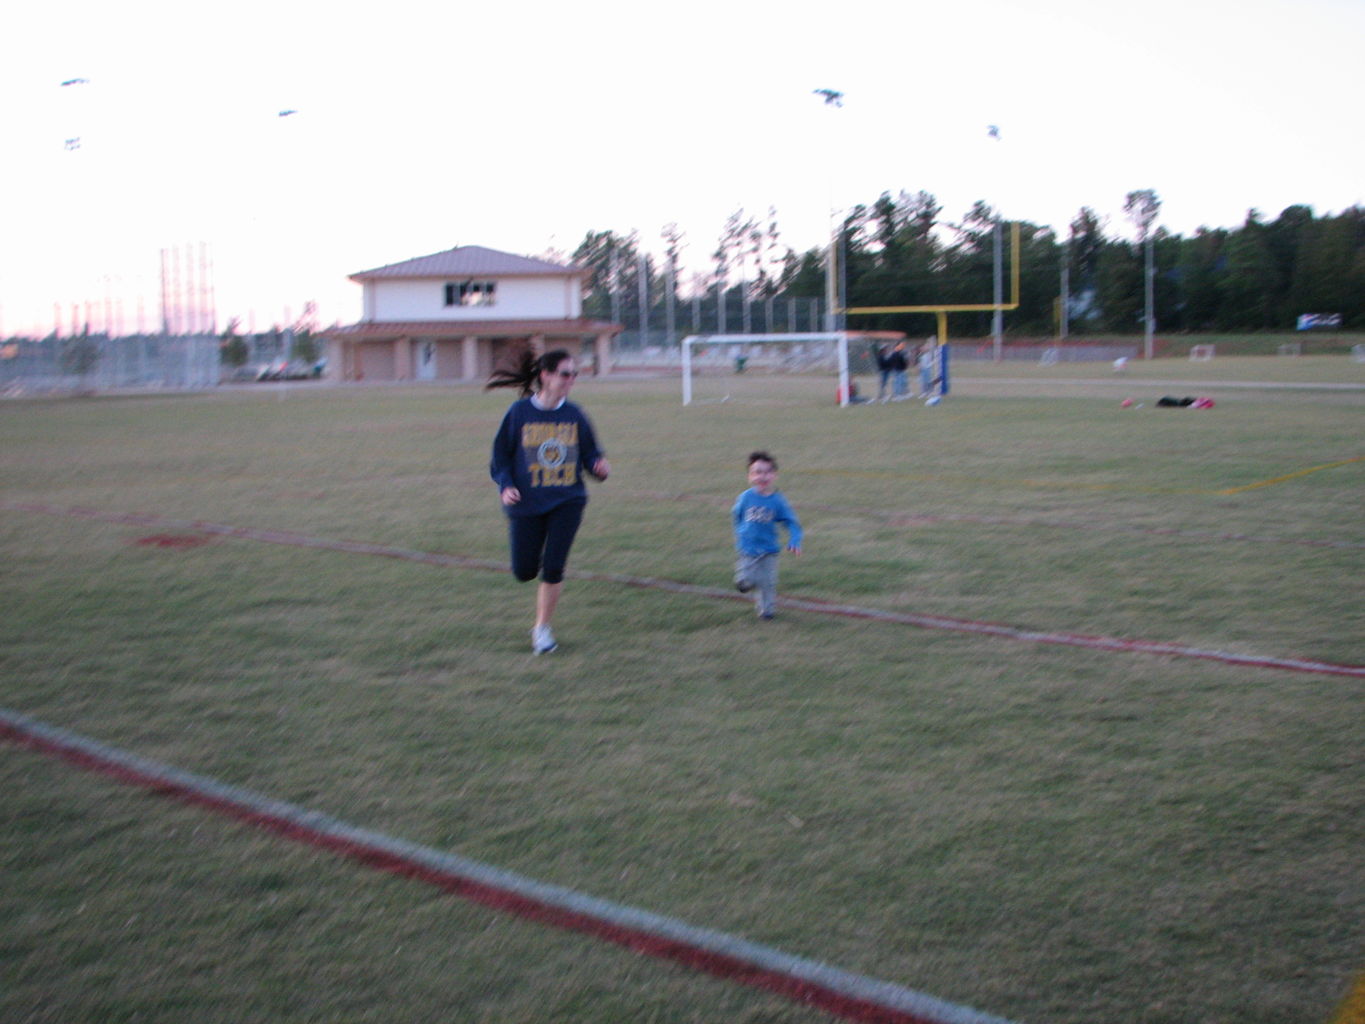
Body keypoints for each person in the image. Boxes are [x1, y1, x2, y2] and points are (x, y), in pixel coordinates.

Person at [488, 348, 610, 654]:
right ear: (546, 375)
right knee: (524, 571)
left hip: (567, 500)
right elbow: (500, 458)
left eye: (574, 375)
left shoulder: (575, 414)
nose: (571, 380)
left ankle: (542, 630)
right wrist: (505, 485)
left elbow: (591, 454)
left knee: (554, 567)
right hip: (526, 503)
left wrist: (598, 466)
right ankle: (538, 558)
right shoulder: (518, 413)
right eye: (565, 374)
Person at [732, 451, 803, 620]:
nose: (762, 477)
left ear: (774, 475)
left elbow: (791, 521)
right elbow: (737, 515)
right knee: (749, 577)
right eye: (757, 472)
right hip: (748, 549)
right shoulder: (745, 498)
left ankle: (766, 611)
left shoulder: (777, 501)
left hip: (769, 550)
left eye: (766, 472)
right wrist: (742, 533)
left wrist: (795, 540)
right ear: (750, 476)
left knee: (768, 583)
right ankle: (744, 581)